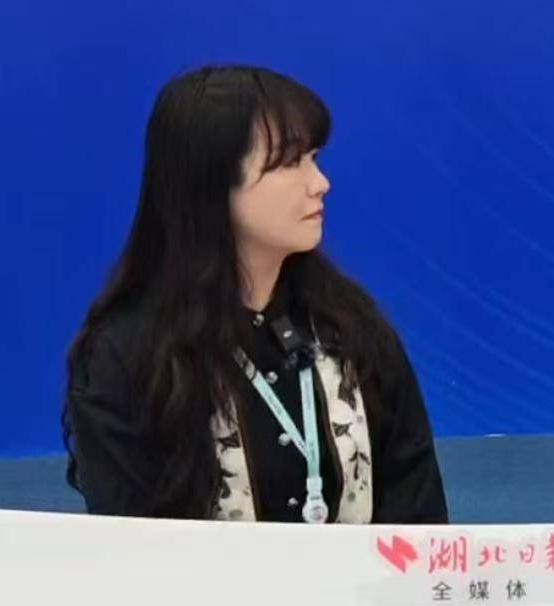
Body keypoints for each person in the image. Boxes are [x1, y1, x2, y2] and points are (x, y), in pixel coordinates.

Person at [62, 65, 448, 524]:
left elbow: (417, 517)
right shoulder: (127, 358)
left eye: (314, 158)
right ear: (210, 182)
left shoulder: (352, 329)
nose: (320, 183)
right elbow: (134, 547)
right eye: (290, 163)